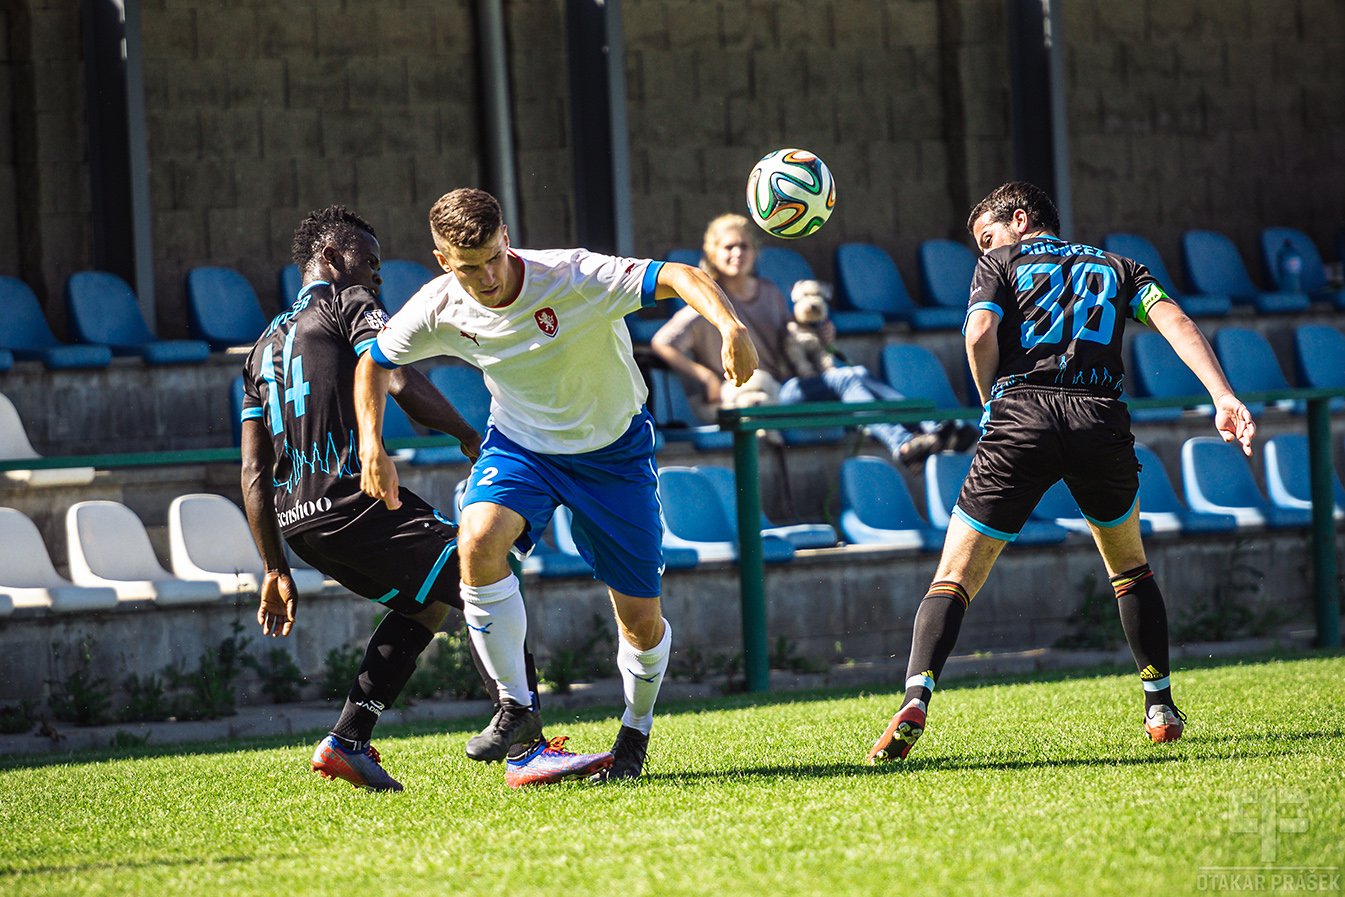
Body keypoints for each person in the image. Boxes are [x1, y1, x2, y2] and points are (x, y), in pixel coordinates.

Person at [354, 188, 759, 782]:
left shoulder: (570, 274)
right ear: (443, 261)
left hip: (614, 455)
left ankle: (635, 731)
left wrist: (729, 323)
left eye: (495, 255)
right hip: (521, 448)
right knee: (477, 541)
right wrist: (372, 444)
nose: (488, 275)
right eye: (469, 266)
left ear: (507, 237)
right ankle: (515, 706)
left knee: (641, 623)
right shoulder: (437, 306)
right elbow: (374, 361)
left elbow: (681, 274)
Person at [867, 182, 1257, 762]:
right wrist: (1222, 395)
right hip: (1098, 418)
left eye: (987, 236)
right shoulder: (1119, 266)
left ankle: (917, 695)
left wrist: (988, 401)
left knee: (954, 577)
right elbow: (1174, 319)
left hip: (1020, 415)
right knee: (1128, 565)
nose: (984, 249)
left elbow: (977, 333)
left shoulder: (1001, 264)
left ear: (1019, 220)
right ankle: (1159, 705)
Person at [241, 205, 613, 791]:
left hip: (299, 523)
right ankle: (529, 750)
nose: (378, 276)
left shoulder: (261, 346)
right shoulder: (346, 303)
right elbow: (395, 373)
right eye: (371, 260)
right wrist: (469, 434)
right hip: (352, 501)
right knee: (483, 574)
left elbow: (253, 469)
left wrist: (272, 565)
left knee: (426, 605)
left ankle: (348, 740)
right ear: (334, 258)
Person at [650, 213, 973, 469]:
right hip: (757, 398)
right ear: (712, 253)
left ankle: (921, 436)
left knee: (854, 375)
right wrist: (705, 376)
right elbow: (661, 342)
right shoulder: (707, 303)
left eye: (744, 246)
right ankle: (915, 437)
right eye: (728, 247)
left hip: (788, 387)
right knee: (848, 378)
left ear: (755, 251)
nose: (737, 253)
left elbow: (790, 340)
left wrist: (818, 336)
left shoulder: (771, 292)